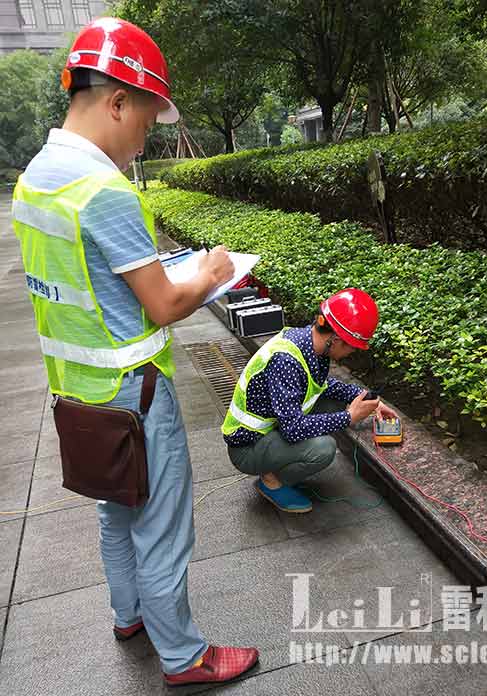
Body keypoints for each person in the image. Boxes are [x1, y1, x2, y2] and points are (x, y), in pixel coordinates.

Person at [12, 17, 258, 687]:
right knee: (160, 527)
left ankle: (130, 616)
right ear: (117, 101)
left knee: (114, 510)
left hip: (78, 392)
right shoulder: (105, 191)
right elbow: (166, 306)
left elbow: (90, 284)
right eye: (147, 119)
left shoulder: (36, 181)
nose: (146, 135)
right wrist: (209, 274)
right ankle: (185, 657)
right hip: (134, 392)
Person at [222, 288, 398, 512]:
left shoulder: (309, 343)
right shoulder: (286, 360)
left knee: (332, 402)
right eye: (352, 347)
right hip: (247, 447)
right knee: (323, 448)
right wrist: (350, 416)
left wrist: (364, 398)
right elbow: (293, 429)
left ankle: (279, 464)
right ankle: (271, 482)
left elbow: (322, 386)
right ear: (336, 339)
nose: (352, 353)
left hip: (271, 429)